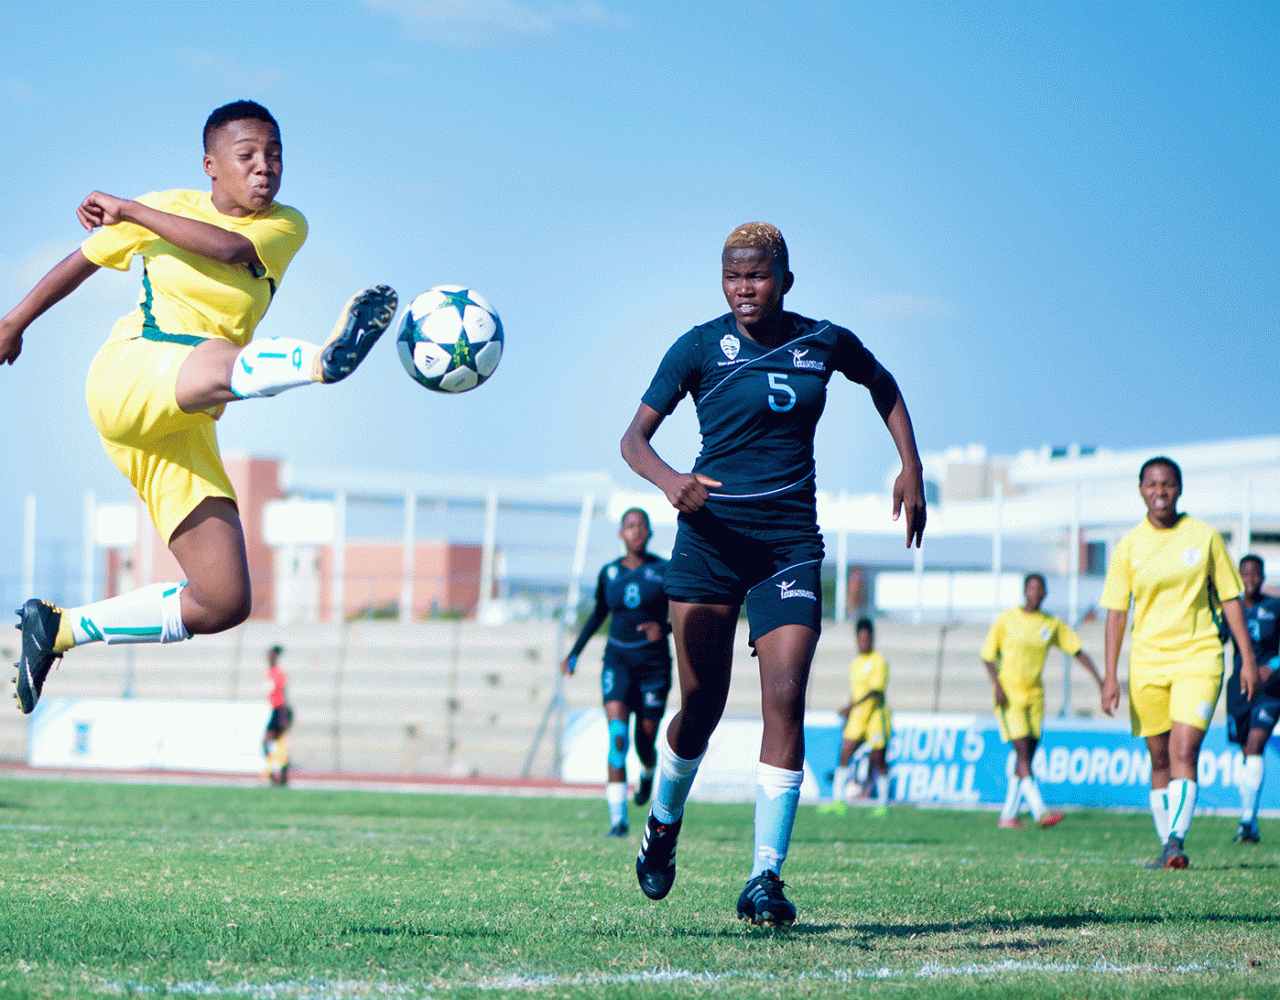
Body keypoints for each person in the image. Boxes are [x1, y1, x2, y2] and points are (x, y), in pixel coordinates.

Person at [2, 101, 397, 712]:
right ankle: (321, 361)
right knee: (217, 355)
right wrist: (13, 322)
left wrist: (133, 210)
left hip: (186, 418)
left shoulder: (285, 224)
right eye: (247, 156)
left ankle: (58, 629)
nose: (264, 167)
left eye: (274, 154)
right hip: (131, 374)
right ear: (211, 165)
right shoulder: (166, 206)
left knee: (223, 599)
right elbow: (81, 262)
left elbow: (230, 249)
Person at [620, 222, 926, 928]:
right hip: (709, 543)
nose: (743, 288)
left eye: (756, 275)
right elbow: (634, 440)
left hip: (789, 546)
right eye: (732, 276)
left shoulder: (824, 342)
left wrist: (910, 464)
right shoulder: (698, 347)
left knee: (785, 701)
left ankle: (765, 877)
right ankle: (662, 822)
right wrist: (671, 481)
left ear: (785, 279)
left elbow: (882, 384)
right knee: (701, 706)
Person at [1101, 456, 1259, 869]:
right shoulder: (1128, 546)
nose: (1160, 492)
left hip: (1199, 656)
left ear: (1180, 488)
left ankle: (1176, 842)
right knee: (1159, 760)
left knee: (1183, 750)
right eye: (1152, 484)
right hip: (1147, 663)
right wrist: (1109, 676)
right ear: (1141, 490)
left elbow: (1231, 599)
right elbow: (1116, 613)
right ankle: (1166, 845)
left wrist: (1246, 658)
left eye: (1168, 484)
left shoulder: (1204, 537)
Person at [561, 508, 673, 837]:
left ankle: (648, 771)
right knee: (618, 737)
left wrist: (664, 628)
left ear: (650, 532)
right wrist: (574, 653)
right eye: (630, 526)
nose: (636, 531)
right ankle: (618, 821)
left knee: (644, 743)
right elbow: (598, 614)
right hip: (618, 662)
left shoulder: (664, 570)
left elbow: (685, 612)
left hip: (654, 665)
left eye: (641, 525)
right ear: (621, 533)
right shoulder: (609, 573)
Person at [981, 572, 1109, 830]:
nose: (1035, 593)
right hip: (1009, 695)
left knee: (1025, 757)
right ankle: (1040, 811)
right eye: (1031, 588)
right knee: (1022, 754)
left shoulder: (1050, 625)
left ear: (1045, 593)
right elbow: (987, 656)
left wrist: (1101, 681)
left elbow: (1077, 652)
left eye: (1040, 589)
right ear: (1024, 591)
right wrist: (997, 686)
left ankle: (1007, 816)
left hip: (1035, 696)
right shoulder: (1007, 620)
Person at [1225, 554, 1280, 843]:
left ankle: (1247, 820)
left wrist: (1272, 666)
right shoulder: (1230, 608)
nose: (1251, 580)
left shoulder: (1275, 606)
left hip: (1269, 691)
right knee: (1246, 754)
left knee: (1257, 744)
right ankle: (1250, 820)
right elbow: (1215, 639)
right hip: (1239, 690)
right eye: (1245, 575)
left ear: (1263, 577)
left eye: (1256, 574)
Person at [820, 617, 891, 816]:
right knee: (845, 753)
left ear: (872, 639)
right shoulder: (855, 663)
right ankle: (837, 801)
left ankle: (883, 804)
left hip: (875, 716)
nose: (863, 642)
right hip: (858, 717)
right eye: (860, 639)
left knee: (878, 758)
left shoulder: (879, 661)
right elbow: (855, 692)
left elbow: (876, 691)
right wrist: (850, 711)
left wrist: (851, 706)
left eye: (866, 638)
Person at [262, 644, 294, 786]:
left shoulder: (278, 672)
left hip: (280, 710)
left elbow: (283, 692)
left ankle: (276, 774)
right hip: (275, 710)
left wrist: (283, 715)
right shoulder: (270, 672)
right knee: (274, 742)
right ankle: (279, 774)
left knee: (270, 741)